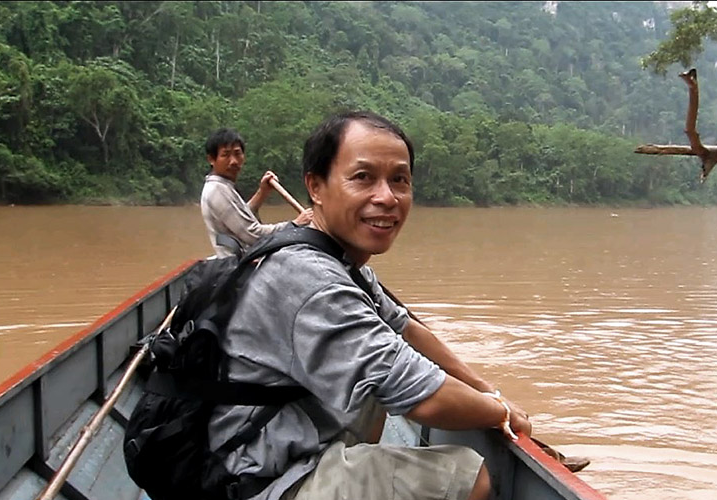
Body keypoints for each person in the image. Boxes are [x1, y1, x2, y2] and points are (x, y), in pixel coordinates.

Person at [207, 111, 532, 500]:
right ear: (316, 186)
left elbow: (406, 329)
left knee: (378, 375)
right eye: (363, 178)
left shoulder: (339, 260)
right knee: (467, 476)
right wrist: (501, 413)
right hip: (257, 479)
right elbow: (424, 398)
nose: (387, 197)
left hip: (279, 446)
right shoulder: (311, 278)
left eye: (399, 180)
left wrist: (485, 388)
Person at [200, 128, 313, 257]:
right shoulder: (217, 190)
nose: (234, 161)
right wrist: (294, 224)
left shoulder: (222, 186)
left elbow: (240, 217)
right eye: (225, 155)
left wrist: (262, 192)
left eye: (237, 154)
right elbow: (254, 235)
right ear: (211, 159)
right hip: (236, 266)